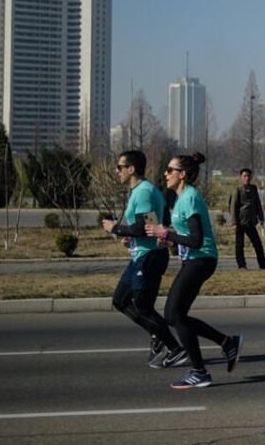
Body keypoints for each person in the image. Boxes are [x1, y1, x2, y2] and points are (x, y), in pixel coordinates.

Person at [146, 152, 243, 390]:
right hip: (194, 260)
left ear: (183, 175)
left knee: (175, 315)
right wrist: (169, 240)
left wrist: (166, 233)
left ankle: (200, 371)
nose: (165, 174)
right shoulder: (180, 199)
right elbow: (186, 238)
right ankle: (226, 342)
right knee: (173, 315)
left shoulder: (189, 197)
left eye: (170, 170)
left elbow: (197, 239)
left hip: (202, 259)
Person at [101, 150, 186, 369]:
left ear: (131, 169)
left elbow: (144, 226)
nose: (116, 171)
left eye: (120, 167)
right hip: (142, 255)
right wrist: (131, 237)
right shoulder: (142, 191)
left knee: (142, 306)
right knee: (120, 300)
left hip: (149, 258)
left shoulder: (144, 193)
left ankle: (175, 349)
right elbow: (152, 224)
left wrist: (116, 229)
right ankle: (157, 335)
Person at [228, 168, 265, 270]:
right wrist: (234, 223)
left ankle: (263, 264)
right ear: (241, 177)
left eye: (248, 176)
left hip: (251, 221)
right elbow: (233, 207)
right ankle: (241, 265)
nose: (247, 178)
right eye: (245, 176)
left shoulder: (253, 188)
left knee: (257, 244)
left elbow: (257, 203)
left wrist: (261, 217)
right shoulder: (237, 190)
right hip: (240, 222)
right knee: (240, 245)